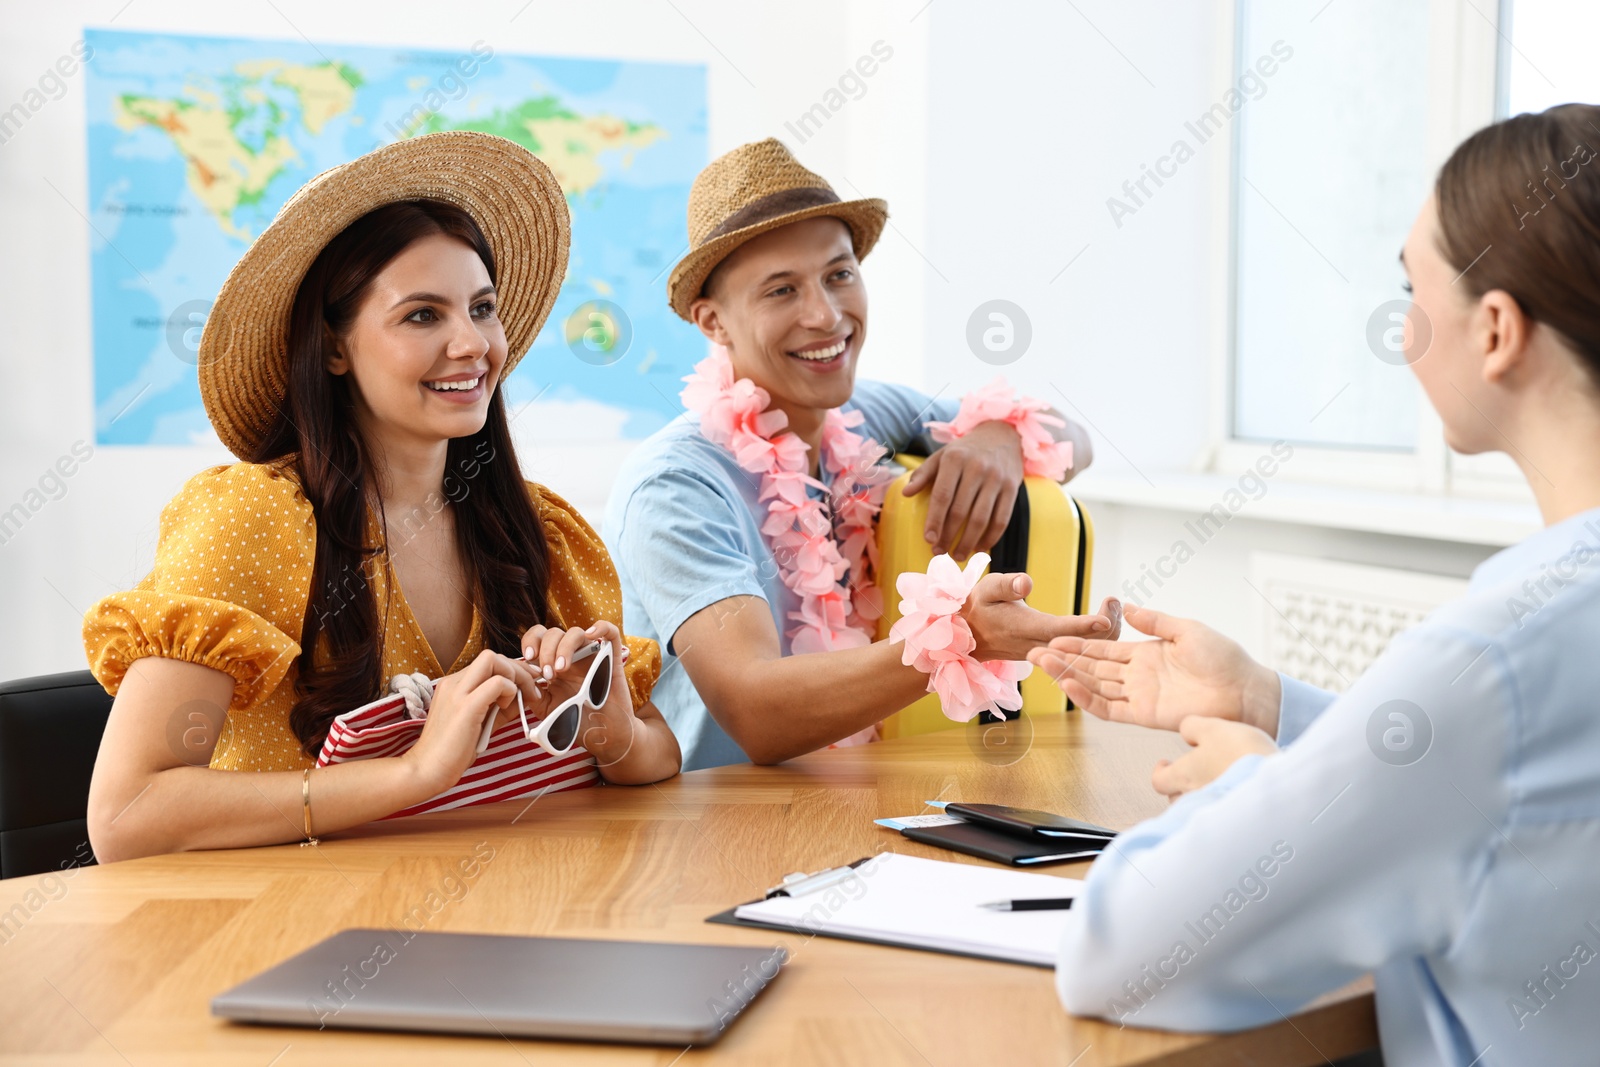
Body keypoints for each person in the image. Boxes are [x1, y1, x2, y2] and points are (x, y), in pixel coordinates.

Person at [1031, 104, 1600, 1065]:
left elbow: (1118, 954)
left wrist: (1255, 782)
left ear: (1496, 329)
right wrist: (1271, 705)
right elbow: (1508, 786)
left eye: (1409, 289)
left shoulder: (1499, 654)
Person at [82, 133, 680, 863]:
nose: (474, 344)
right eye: (422, 315)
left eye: (482, 308)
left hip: (496, 930)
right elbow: (125, 815)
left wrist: (607, 730)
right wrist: (414, 774)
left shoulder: (539, 528)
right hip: (280, 936)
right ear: (334, 347)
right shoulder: (253, 517)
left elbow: (657, 754)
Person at [603, 138, 1120, 771]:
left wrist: (1001, 437)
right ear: (714, 323)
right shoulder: (673, 486)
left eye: (839, 274)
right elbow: (755, 711)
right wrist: (959, 638)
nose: (826, 315)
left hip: (866, 799)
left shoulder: (868, 414)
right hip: (714, 827)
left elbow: (1077, 438)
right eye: (780, 291)